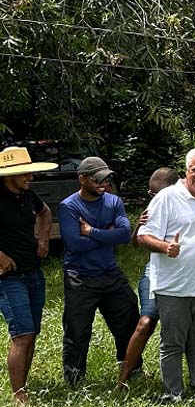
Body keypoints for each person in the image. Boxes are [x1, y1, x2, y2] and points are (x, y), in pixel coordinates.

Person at [137, 147, 195, 402]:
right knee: (173, 343)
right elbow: (142, 236)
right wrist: (165, 247)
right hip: (174, 287)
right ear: (187, 171)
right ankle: (173, 393)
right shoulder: (167, 198)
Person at [58, 156, 138, 386]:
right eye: (97, 179)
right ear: (81, 178)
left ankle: (131, 368)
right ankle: (74, 377)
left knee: (129, 316)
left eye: (106, 178)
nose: (103, 183)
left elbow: (124, 234)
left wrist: (92, 231)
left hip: (110, 272)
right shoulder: (69, 207)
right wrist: (107, 235)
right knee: (77, 329)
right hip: (80, 276)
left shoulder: (113, 202)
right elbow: (75, 244)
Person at [116, 167, 179, 390]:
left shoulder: (183, 204)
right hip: (154, 273)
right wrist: (139, 226)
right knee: (145, 323)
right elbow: (136, 243)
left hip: (181, 278)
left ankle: (178, 381)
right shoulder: (153, 207)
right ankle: (123, 378)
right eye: (150, 195)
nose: (152, 199)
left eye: (156, 194)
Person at [0, 147, 55, 404]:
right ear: (9, 174)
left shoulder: (27, 194)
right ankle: (18, 395)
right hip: (8, 278)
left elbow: (45, 213)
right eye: (25, 173)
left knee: (31, 332)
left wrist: (43, 238)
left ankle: (24, 383)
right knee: (21, 333)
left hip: (33, 271)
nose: (30, 177)